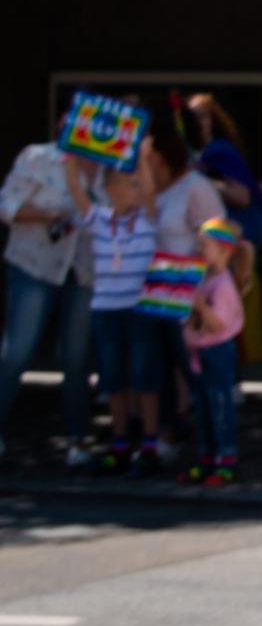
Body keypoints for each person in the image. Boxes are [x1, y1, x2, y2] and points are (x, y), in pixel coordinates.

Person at [0, 130, 96, 466]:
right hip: (35, 264)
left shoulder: (108, 166)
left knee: (76, 357)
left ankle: (78, 440)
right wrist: (48, 217)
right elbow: (6, 205)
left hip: (83, 269)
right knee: (16, 352)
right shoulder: (38, 157)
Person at [62, 155, 160, 476]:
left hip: (139, 309)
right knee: (113, 378)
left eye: (136, 184)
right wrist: (71, 163)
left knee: (144, 376)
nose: (135, 189)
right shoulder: (100, 219)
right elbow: (77, 192)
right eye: (127, 184)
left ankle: (149, 442)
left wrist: (142, 158)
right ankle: (119, 441)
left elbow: (148, 191)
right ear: (110, 188)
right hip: (106, 309)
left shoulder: (146, 219)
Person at [143, 103, 227, 472]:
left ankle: (213, 447)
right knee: (161, 370)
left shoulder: (195, 186)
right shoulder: (155, 190)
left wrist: (205, 292)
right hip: (158, 289)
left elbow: (218, 234)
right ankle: (171, 436)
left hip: (190, 293)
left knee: (196, 373)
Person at [187, 93, 262, 364]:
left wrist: (202, 182)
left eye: (203, 115)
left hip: (225, 251)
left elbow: (244, 196)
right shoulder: (185, 155)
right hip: (197, 252)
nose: (198, 122)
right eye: (192, 116)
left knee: (226, 317)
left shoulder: (220, 152)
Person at [182, 218, 248, 485]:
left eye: (204, 246)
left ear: (224, 250)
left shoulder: (223, 285)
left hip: (218, 351)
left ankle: (226, 459)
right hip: (201, 352)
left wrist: (200, 307)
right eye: (198, 245)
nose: (199, 251)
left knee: (220, 405)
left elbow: (217, 323)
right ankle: (206, 458)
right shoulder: (204, 278)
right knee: (204, 408)